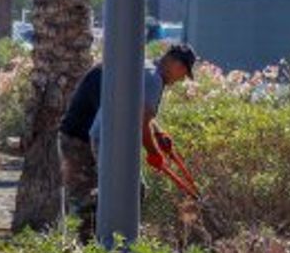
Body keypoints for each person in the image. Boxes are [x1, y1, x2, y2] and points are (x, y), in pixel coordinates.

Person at [58, 42, 197, 242]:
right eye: (183, 72)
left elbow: (137, 109)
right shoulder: (154, 79)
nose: (181, 78)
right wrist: (153, 152)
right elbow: (141, 119)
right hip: (83, 137)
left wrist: (157, 134)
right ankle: (103, 245)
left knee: (97, 193)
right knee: (115, 192)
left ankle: (96, 243)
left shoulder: (144, 68)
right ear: (174, 63)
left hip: (83, 133)